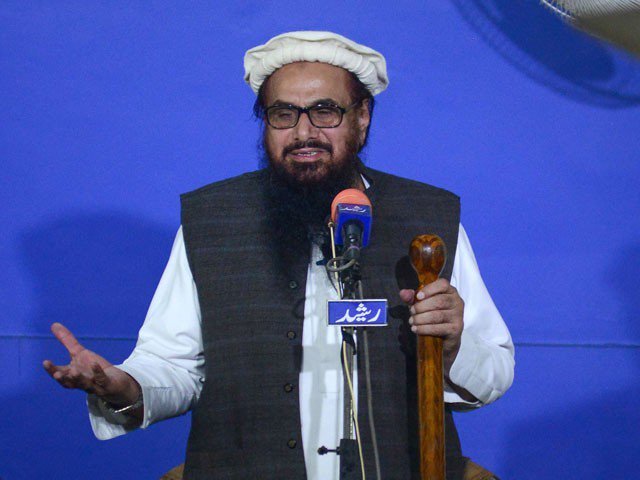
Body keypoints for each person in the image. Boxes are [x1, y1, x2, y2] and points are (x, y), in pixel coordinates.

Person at [43, 31, 514, 480]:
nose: (303, 132)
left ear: (363, 115)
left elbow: (495, 371)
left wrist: (452, 347)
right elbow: (175, 365)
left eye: (325, 111)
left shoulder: (426, 220)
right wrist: (122, 386)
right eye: (283, 114)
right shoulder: (213, 220)